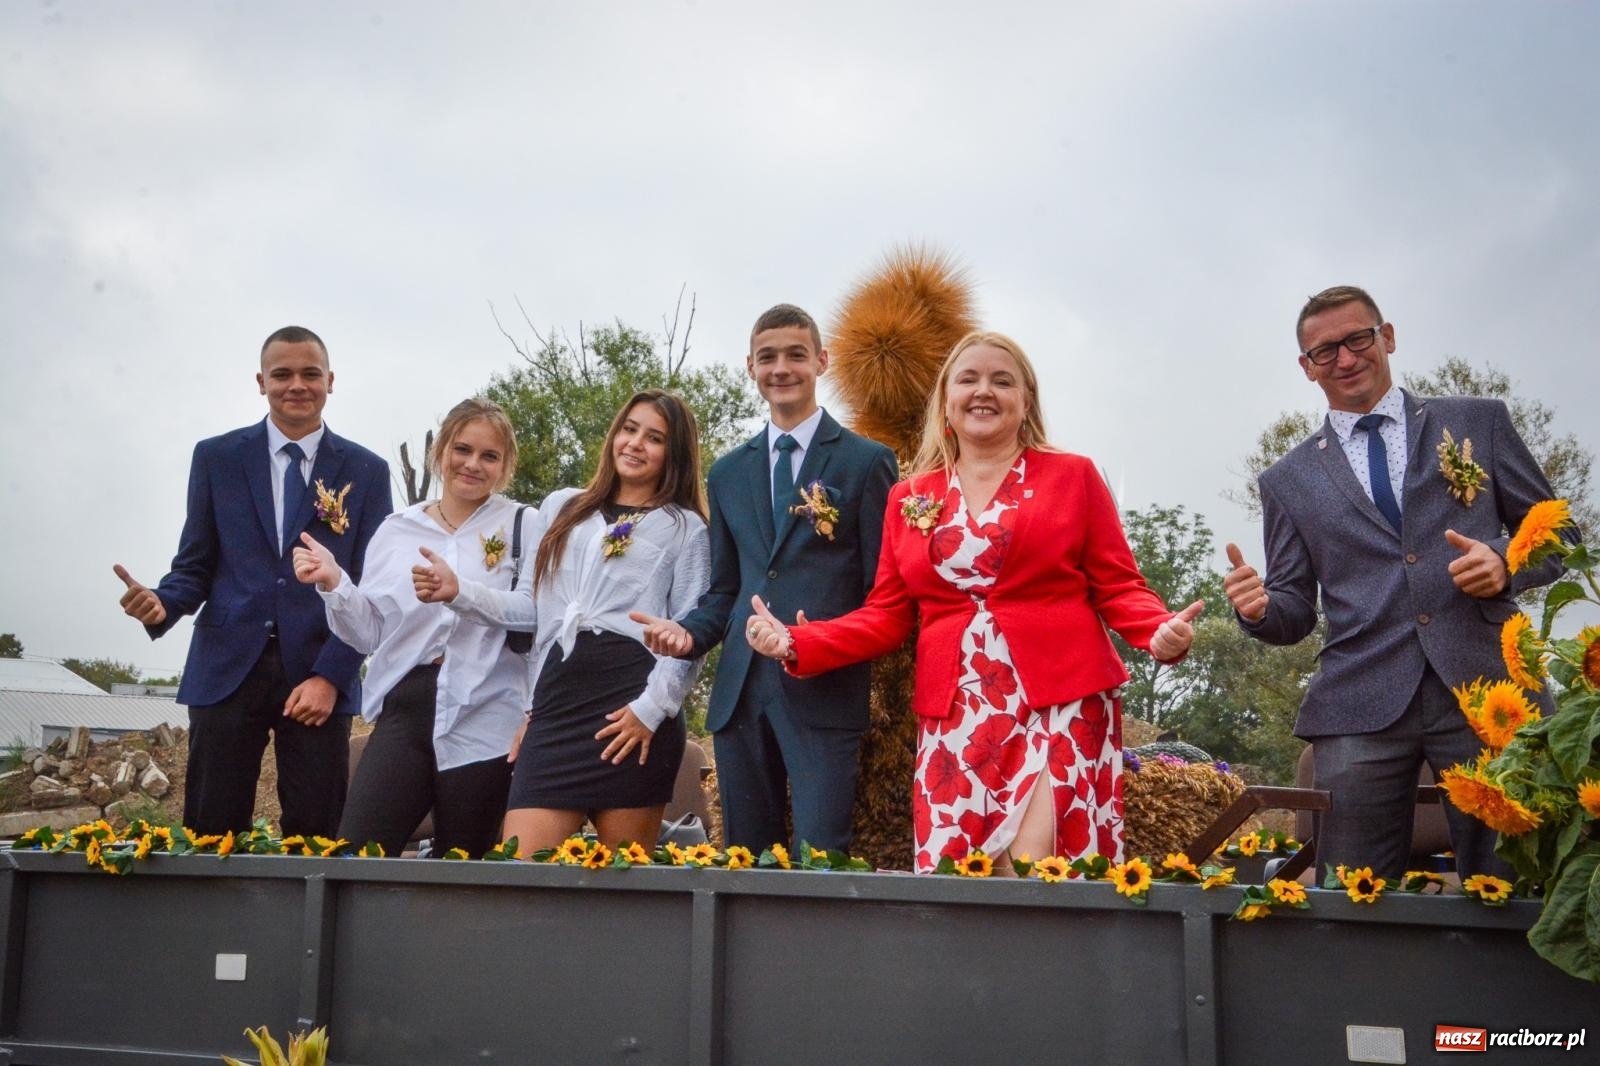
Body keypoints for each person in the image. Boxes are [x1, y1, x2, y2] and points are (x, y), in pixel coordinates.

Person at [744, 330, 1199, 873]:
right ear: (946, 402)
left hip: (1058, 700)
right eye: (969, 379)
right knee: (968, 878)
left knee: (1031, 867)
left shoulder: (1073, 477)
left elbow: (1119, 585)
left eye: (1001, 381)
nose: (984, 391)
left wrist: (1157, 631)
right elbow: (887, 615)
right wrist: (800, 640)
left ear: (1025, 400)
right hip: (957, 716)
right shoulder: (910, 497)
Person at [1222, 285, 1567, 881]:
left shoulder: (1477, 422)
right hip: (1360, 701)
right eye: (1325, 351)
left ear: (1388, 336)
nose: (1346, 358)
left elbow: (1559, 537)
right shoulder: (1287, 478)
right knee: (1351, 892)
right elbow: (1295, 609)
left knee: (1523, 881)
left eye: (1358, 339)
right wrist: (1258, 610)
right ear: (1306, 368)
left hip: (1490, 686)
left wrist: (1505, 561)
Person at [632, 304, 898, 855]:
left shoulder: (866, 462)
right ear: (749, 367)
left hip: (822, 691)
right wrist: (689, 633)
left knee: (820, 857)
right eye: (768, 357)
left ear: (821, 361)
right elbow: (726, 588)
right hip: (741, 694)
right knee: (747, 863)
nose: (782, 368)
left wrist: (817, 642)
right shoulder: (729, 472)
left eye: (796, 355)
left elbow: (882, 593)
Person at [113, 326, 392, 836]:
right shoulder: (217, 458)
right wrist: (163, 602)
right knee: (209, 830)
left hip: (317, 671)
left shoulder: (367, 471)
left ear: (330, 381)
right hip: (226, 669)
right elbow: (195, 565)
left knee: (316, 834)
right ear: (260, 382)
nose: (296, 385)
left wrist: (332, 675)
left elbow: (373, 590)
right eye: (281, 374)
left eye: (310, 374)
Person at [415, 390, 709, 855]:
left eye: (654, 438)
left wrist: (650, 712)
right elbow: (535, 614)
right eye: (629, 429)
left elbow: (691, 638)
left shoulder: (684, 527)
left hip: (630, 716)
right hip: (558, 710)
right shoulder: (563, 507)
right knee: (521, 867)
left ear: (674, 453)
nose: (635, 443)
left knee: (623, 885)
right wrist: (460, 593)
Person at [292, 398, 533, 857]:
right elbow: (368, 634)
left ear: (505, 466)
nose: (472, 464)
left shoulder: (524, 523)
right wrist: (334, 582)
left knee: (466, 865)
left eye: (489, 456)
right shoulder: (396, 529)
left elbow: (534, 613)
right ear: (440, 450)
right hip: (408, 701)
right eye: (462, 449)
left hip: (487, 704)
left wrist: (460, 592)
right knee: (358, 851)